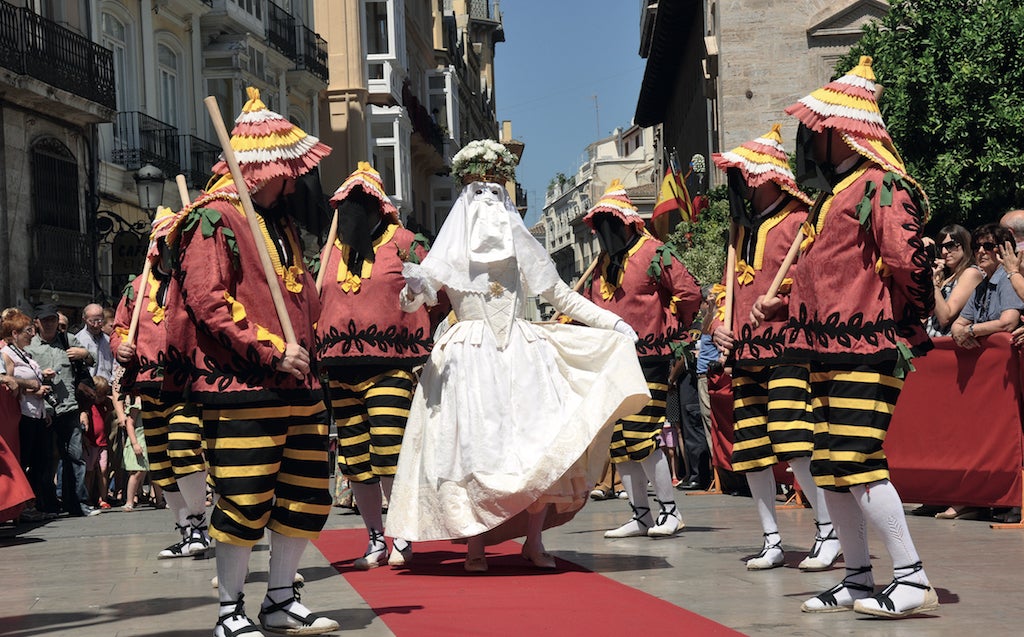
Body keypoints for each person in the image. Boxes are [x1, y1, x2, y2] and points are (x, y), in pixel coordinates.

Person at [385, 140, 650, 572]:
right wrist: (413, 289)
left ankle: (533, 540)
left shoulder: (519, 243)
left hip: (520, 354)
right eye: (478, 192)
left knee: (534, 447)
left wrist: (612, 324)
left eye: (494, 191)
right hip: (467, 357)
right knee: (470, 451)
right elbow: (415, 298)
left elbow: (558, 293)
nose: (487, 200)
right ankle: (474, 546)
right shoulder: (448, 249)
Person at [762, 55, 938, 617]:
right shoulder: (831, 196)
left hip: (868, 346)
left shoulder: (880, 186)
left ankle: (911, 577)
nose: (809, 142)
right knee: (833, 464)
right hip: (823, 351)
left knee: (858, 460)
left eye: (817, 132)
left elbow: (907, 263)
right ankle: (859, 580)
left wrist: (903, 323)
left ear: (842, 134)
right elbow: (826, 275)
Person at [175, 87, 338, 636]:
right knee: (244, 498)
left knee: (304, 494)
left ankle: (280, 599)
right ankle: (228, 612)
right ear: (269, 168)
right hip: (244, 387)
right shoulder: (214, 219)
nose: (297, 180)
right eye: (289, 170)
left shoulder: (280, 223)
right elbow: (208, 301)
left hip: (300, 387)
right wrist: (271, 349)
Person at [709, 124, 841, 572]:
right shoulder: (741, 230)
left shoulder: (802, 220)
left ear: (764, 176)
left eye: (745, 174)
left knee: (794, 438)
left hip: (788, 347)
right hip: (746, 353)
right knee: (751, 449)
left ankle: (829, 532)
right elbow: (727, 290)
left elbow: (820, 278)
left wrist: (782, 297)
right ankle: (771, 538)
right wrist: (716, 325)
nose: (739, 184)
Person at [315, 162, 446, 569]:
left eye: (358, 203)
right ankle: (374, 536)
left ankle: (400, 531)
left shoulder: (406, 243)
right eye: (344, 205)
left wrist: (413, 331)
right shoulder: (331, 250)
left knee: (389, 448)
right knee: (355, 458)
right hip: (339, 365)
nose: (349, 212)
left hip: (390, 363)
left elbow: (437, 298)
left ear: (377, 206)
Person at [578, 180, 703, 539]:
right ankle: (641, 515)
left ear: (628, 223)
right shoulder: (603, 262)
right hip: (612, 361)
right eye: (599, 226)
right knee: (620, 443)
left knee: (642, 436)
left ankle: (670, 511)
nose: (605, 232)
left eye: (610, 224)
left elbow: (689, 292)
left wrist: (672, 327)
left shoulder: (654, 252)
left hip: (649, 358)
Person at [111, 206, 211, 559]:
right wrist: (120, 347)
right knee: (161, 463)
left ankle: (199, 523)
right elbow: (121, 328)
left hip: (184, 383)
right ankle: (186, 530)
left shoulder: (194, 284)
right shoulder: (135, 288)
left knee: (184, 450)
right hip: (147, 385)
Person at [26, 303, 100, 517]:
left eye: (53, 320)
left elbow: (90, 360)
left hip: (69, 409)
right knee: (46, 460)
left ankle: (77, 504)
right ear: (37, 322)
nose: (50, 324)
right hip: (45, 410)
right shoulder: (30, 347)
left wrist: (84, 353)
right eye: (45, 320)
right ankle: (48, 505)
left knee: (75, 457)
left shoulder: (68, 340)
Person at [950, 223, 1023, 347]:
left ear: (1003, 250)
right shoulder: (981, 286)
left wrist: (970, 330)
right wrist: (960, 334)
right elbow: (957, 325)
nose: (981, 251)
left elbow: (1007, 323)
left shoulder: (1008, 278)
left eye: (988, 246)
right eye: (976, 247)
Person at [927, 224, 984, 337]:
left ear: (964, 245)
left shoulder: (970, 273)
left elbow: (946, 317)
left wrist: (933, 284)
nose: (944, 252)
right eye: (940, 247)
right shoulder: (943, 276)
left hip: (948, 346)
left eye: (950, 245)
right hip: (928, 343)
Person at [81, 375, 112, 509]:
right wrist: (84, 438)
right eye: (99, 395)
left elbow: (112, 407)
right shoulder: (88, 406)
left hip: (102, 442)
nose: (101, 398)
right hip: (90, 443)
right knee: (89, 471)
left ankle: (102, 497)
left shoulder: (105, 405)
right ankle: (87, 497)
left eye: (104, 395)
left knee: (103, 469)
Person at [76, 304, 114, 382]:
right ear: (84, 320)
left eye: (99, 321)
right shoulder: (78, 340)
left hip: (108, 386)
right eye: (92, 321)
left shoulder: (109, 341)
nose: (96, 325)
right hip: (89, 386)